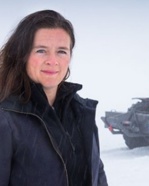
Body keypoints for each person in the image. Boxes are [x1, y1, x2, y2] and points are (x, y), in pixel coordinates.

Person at [0, 10, 108, 186]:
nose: (52, 60)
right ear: (22, 55)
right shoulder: (5, 118)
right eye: (41, 50)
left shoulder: (81, 111)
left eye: (61, 51)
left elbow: (98, 173)